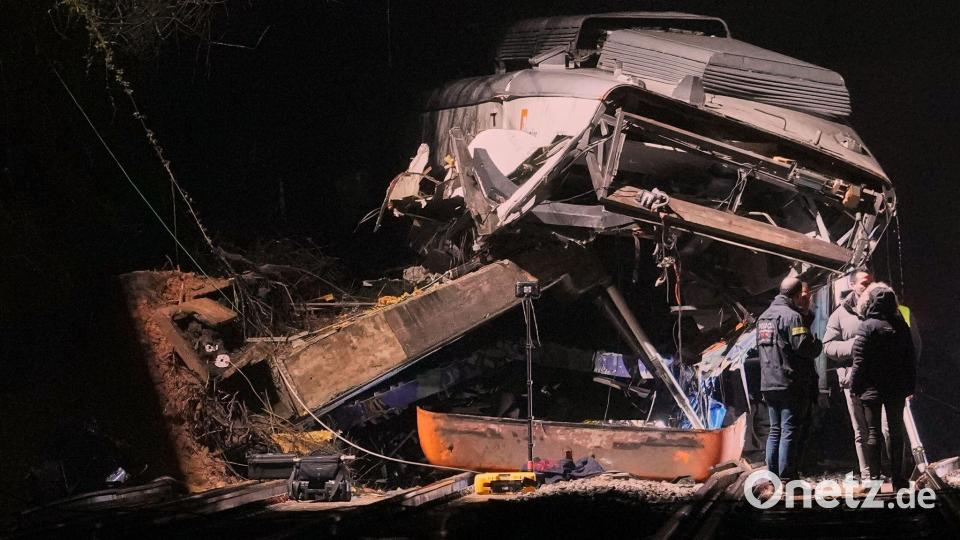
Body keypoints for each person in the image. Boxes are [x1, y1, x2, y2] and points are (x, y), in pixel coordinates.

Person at [850, 282, 916, 490]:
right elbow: (910, 358)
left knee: (873, 433)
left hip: (871, 388)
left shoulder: (867, 326)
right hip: (896, 388)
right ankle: (899, 479)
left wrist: (854, 385)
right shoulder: (901, 326)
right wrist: (910, 385)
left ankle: (874, 479)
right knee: (896, 432)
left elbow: (859, 360)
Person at [758, 277, 823, 480]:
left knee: (775, 430)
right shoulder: (792, 317)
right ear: (795, 295)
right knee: (789, 430)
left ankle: (772, 476)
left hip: (768, 382)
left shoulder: (763, 317)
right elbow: (802, 347)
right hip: (789, 382)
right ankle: (787, 476)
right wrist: (817, 344)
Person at [823, 269, 875, 480]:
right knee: (861, 431)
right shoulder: (840, 314)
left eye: (871, 282)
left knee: (885, 429)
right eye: (864, 283)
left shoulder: (881, 308)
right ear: (852, 285)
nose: (868, 287)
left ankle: (888, 471)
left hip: (879, 377)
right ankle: (868, 474)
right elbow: (828, 346)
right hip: (853, 379)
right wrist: (855, 345)